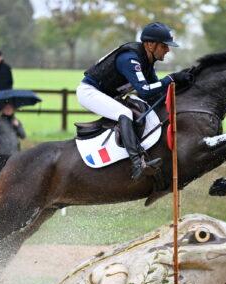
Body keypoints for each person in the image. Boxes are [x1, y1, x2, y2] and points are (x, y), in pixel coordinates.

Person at [77, 22, 193, 181]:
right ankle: (137, 163)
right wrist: (170, 78)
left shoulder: (147, 61)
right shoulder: (130, 59)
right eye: (164, 46)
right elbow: (145, 90)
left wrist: (180, 85)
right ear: (150, 45)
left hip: (108, 95)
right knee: (124, 112)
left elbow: (152, 95)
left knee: (140, 107)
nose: (168, 50)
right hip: (89, 92)